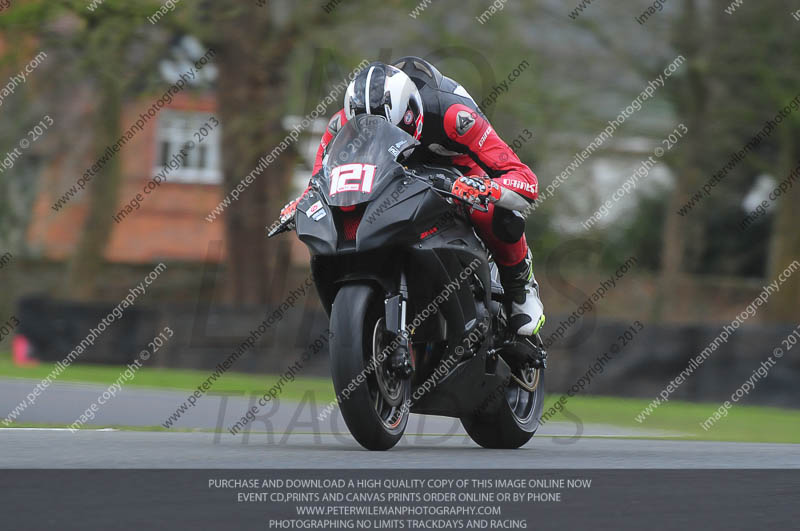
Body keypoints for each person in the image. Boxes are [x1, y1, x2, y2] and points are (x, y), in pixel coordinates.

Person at [281, 57, 544, 336]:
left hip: (460, 168)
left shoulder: (455, 114)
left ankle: (520, 286)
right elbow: (321, 178)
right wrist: (306, 201)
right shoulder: (341, 123)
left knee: (490, 212)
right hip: (393, 171)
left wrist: (487, 189)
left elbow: (524, 179)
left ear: (412, 111)